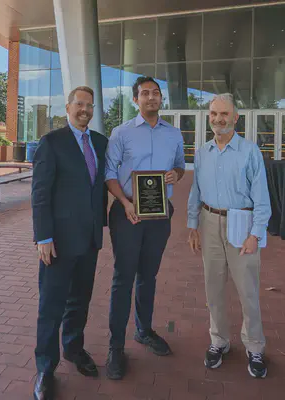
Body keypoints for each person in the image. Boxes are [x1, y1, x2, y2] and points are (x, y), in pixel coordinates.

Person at [104, 76, 185, 380]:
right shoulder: (121, 133)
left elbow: (180, 164)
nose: (151, 97)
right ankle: (115, 346)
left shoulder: (173, 134)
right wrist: (125, 203)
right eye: (145, 94)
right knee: (123, 277)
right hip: (127, 214)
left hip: (159, 216)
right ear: (135, 100)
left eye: (156, 93)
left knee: (148, 275)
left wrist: (176, 174)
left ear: (161, 99)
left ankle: (144, 330)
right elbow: (109, 173)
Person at [31, 86, 108, 400]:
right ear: (68, 107)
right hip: (58, 243)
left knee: (80, 301)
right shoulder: (52, 143)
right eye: (79, 104)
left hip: (89, 240)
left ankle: (74, 350)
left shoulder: (101, 143)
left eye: (89, 105)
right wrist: (43, 237)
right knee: (51, 307)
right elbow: (39, 194)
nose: (85, 110)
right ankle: (45, 369)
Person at [187, 93, 271, 379]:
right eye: (213, 114)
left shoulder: (250, 152)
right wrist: (192, 225)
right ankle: (219, 340)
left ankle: (255, 345)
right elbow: (195, 191)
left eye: (224, 114)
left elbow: (262, 199)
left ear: (236, 118)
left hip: (241, 224)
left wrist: (255, 235)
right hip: (210, 222)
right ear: (209, 117)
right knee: (214, 288)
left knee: (247, 289)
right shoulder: (202, 153)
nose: (218, 119)